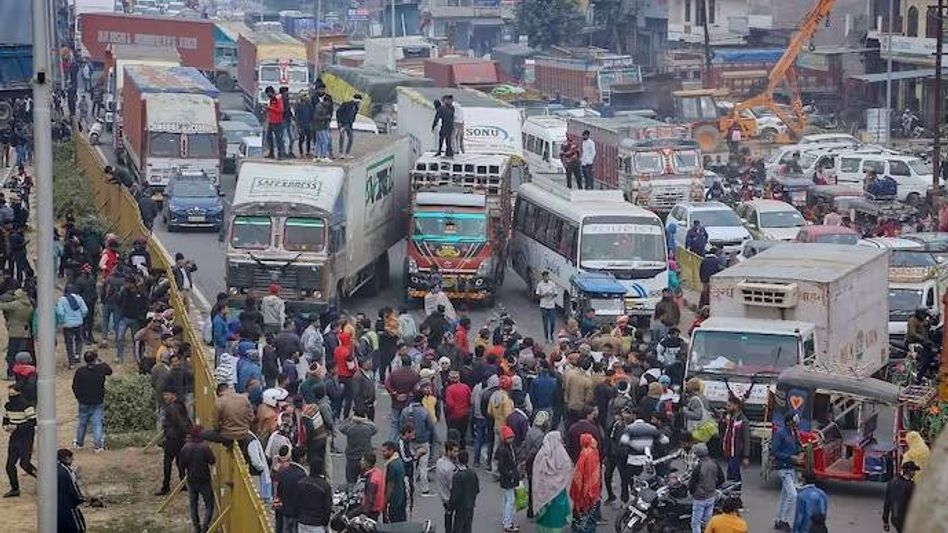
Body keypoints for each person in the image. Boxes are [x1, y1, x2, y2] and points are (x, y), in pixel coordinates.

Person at [71, 350, 112, 452]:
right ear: (95, 359)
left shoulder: (80, 371)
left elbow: (74, 386)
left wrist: (78, 397)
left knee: (82, 422)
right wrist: (100, 361)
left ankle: (79, 443)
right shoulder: (101, 369)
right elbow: (109, 371)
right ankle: (98, 445)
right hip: (97, 401)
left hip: (84, 401)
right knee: (97, 423)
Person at [178, 426, 216, 533]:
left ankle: (197, 528)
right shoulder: (204, 447)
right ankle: (205, 527)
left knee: (193, 505)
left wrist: (183, 476)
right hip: (204, 480)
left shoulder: (185, 448)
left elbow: (181, 465)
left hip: (191, 479)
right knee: (209, 504)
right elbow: (212, 461)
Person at [532, 431, 572, 532]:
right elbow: (567, 468)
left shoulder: (541, 454)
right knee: (556, 514)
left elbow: (536, 473)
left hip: (544, 492)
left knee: (546, 515)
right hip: (558, 491)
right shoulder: (562, 453)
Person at [3, 377, 36, 497]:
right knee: (9, 465)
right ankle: (15, 488)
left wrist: (17, 427)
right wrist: (6, 426)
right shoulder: (8, 406)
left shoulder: (27, 406)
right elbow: (5, 419)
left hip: (26, 437)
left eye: (13, 394)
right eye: (9, 394)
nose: (11, 396)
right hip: (15, 437)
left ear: (19, 393)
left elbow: (33, 422)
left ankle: (43, 480)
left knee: (25, 464)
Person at [157, 383, 192, 495]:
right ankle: (183, 483)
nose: (165, 397)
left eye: (167, 395)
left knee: (168, 462)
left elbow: (180, 422)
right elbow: (186, 421)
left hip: (172, 438)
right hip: (180, 438)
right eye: (164, 395)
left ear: (174, 395)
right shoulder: (180, 405)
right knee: (179, 461)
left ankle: (165, 486)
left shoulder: (172, 408)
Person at [772, 412, 803, 531]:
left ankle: (779, 519)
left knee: (785, 497)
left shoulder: (794, 433)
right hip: (783, 467)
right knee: (793, 495)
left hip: (791, 467)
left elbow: (798, 446)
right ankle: (785, 521)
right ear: (789, 421)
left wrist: (800, 453)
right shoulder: (780, 433)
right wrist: (790, 457)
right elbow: (774, 451)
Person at [570, 433, 602, 533]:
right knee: (591, 517)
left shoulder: (585, 454)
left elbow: (580, 475)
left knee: (583, 516)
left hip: (586, 490)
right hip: (594, 489)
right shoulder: (594, 452)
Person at [689, 443, 723, 533]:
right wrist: (714, 487)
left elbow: (692, 482)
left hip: (700, 497)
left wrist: (693, 492)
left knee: (695, 523)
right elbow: (722, 478)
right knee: (708, 520)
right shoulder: (714, 462)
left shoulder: (699, 466)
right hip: (711, 496)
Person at [339, 407, 377, 485]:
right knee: (365, 481)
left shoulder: (350, 427)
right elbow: (375, 428)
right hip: (365, 458)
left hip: (352, 457)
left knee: (351, 481)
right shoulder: (368, 428)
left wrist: (349, 419)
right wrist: (366, 420)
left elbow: (341, 427)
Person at [275, 447, 308, 532]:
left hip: (285, 511)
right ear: (301, 458)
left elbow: (279, 493)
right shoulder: (303, 475)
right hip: (296, 513)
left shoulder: (283, 473)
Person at [296, 456, 332, 533]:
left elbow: (296, 501)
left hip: (302, 521)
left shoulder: (301, 482)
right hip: (317, 524)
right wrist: (325, 523)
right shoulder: (324, 486)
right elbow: (327, 508)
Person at [56, 284, 88, 368]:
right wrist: (80, 317)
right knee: (79, 339)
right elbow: (85, 310)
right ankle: (78, 354)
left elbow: (60, 312)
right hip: (79, 323)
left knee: (69, 344)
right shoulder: (79, 298)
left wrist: (62, 322)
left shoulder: (62, 300)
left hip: (67, 325)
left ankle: (71, 362)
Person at [496, 425, 521, 532]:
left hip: (507, 478)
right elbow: (501, 466)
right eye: (509, 437)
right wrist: (510, 474)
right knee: (511, 501)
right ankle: (508, 523)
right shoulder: (505, 449)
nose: (511, 439)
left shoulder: (504, 448)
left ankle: (506, 520)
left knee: (506, 499)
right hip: (509, 478)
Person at [883, 461, 919, 532]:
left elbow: (887, 503)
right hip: (906, 519)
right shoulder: (911, 486)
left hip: (895, 518)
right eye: (913, 471)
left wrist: (885, 521)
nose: (914, 473)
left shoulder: (892, 483)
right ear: (908, 471)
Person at [449, 449, 479, 533]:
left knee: (458, 528)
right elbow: (477, 489)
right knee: (468, 527)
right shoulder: (473, 473)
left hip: (461, 507)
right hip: (470, 505)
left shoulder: (457, 476)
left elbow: (455, 494)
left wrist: (450, 506)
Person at [722, 395, 750, 482]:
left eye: (729, 406)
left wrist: (746, 456)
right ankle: (732, 493)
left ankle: (736, 492)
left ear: (736, 406)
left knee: (734, 475)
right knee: (730, 474)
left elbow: (746, 440)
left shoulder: (743, 421)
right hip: (728, 451)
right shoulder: (729, 418)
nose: (727, 408)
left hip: (736, 452)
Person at [57, 449, 86, 533]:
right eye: (71, 458)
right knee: (78, 529)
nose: (72, 460)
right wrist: (81, 500)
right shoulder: (67, 471)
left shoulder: (51, 469)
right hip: (68, 508)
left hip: (52, 510)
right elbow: (74, 491)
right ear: (66, 458)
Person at [381, 440, 409, 523]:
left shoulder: (392, 465)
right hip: (401, 498)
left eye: (384, 451)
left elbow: (390, 485)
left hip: (394, 500)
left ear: (391, 450)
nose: (383, 453)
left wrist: (385, 501)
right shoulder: (399, 461)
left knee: (391, 524)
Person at [436, 441, 459, 533]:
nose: (456, 454)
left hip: (443, 495)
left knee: (448, 517)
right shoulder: (449, 468)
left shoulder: (440, 462)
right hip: (450, 497)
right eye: (455, 451)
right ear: (448, 451)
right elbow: (452, 485)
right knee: (454, 520)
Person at [264, 86, 286, 159]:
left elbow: (281, 110)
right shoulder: (272, 99)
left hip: (277, 121)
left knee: (278, 139)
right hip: (271, 120)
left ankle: (281, 154)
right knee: (269, 138)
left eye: (268, 93)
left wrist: (270, 108)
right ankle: (271, 153)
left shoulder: (277, 99)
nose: (268, 95)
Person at [535, 271, 558, 343]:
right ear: (543, 277)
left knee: (552, 322)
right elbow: (537, 295)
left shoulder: (552, 284)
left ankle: (551, 334)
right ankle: (546, 337)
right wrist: (544, 295)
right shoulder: (540, 285)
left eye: (547, 276)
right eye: (545, 276)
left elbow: (556, 293)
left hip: (551, 305)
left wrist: (551, 294)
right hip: (543, 306)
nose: (546, 278)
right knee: (545, 323)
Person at [295, 92, 314, 156]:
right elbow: (296, 116)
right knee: (301, 138)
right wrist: (298, 126)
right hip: (301, 124)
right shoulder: (298, 105)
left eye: (305, 96)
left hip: (308, 123)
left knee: (309, 138)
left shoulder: (309, 104)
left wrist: (311, 123)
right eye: (303, 96)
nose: (305, 97)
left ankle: (308, 152)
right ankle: (301, 153)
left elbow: (312, 113)